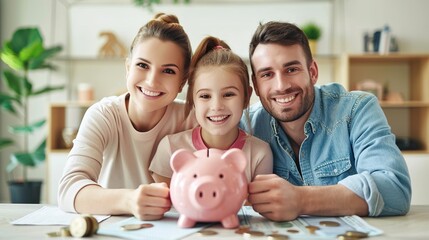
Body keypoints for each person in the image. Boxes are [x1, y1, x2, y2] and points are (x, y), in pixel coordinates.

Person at [242, 21, 412, 221]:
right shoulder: (247, 125)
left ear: (312, 72)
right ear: (256, 84)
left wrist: (301, 200)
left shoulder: (357, 109)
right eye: (267, 74)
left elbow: (395, 189)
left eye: (291, 70)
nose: (281, 86)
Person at [57, 13, 197, 221]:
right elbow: (69, 189)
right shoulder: (104, 115)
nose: (151, 81)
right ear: (127, 67)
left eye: (168, 70)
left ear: (182, 82)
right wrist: (129, 200)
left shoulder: (192, 119)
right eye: (142, 65)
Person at [149, 36, 273, 185]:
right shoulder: (170, 148)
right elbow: (163, 205)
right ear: (193, 100)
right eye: (205, 96)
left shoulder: (259, 153)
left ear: (246, 97)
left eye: (228, 94)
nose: (216, 106)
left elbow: (258, 206)